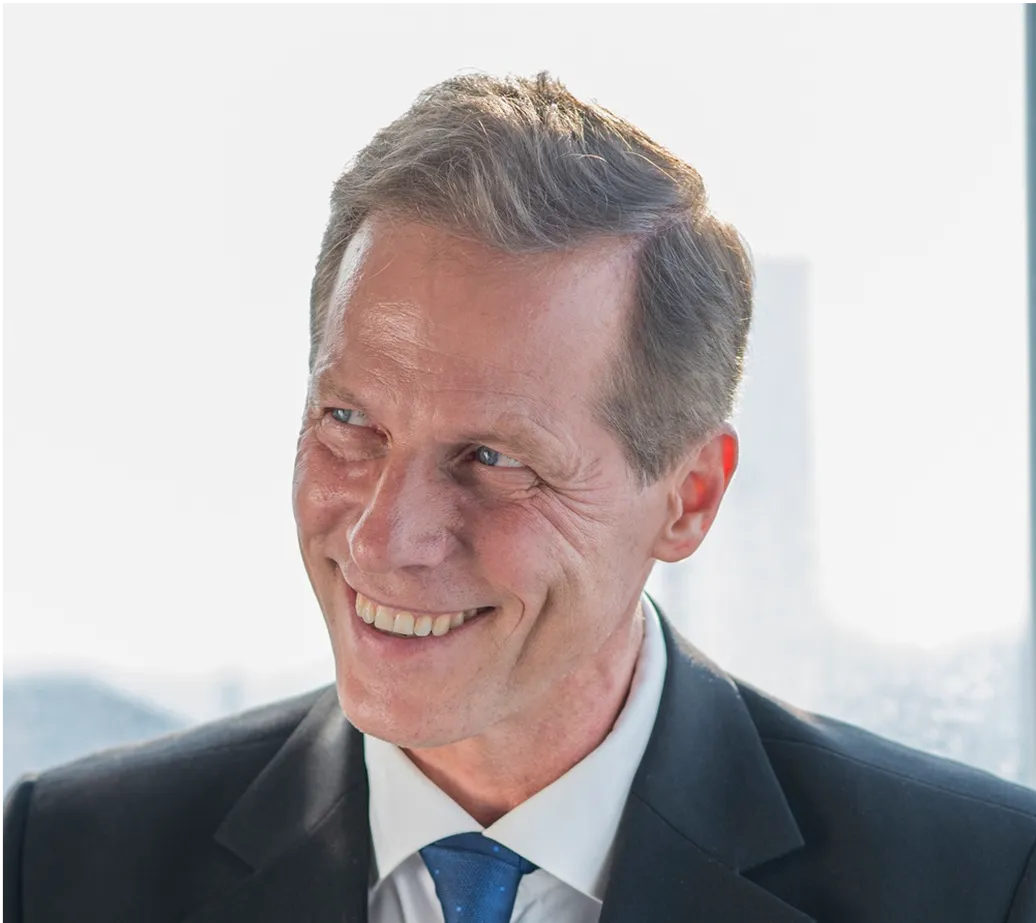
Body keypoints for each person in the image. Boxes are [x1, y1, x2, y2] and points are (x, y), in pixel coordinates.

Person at [2, 71, 1035, 923]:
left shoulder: (977, 884)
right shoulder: (60, 865)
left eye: (494, 458)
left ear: (688, 498)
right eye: (350, 420)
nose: (384, 536)